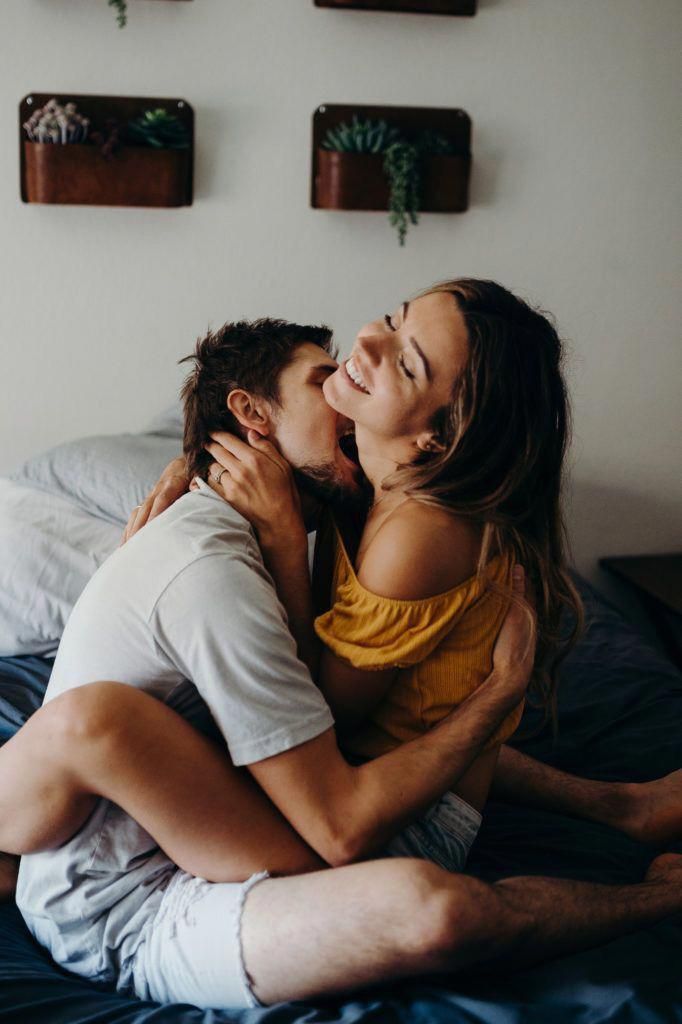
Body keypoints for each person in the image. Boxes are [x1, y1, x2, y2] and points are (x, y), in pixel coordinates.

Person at [0, 288, 679, 1011]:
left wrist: (287, 547)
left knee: (424, 880)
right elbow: (328, 747)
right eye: (391, 318)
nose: (360, 353)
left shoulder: (374, 508)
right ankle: (619, 816)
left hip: (337, 812)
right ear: (251, 420)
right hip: (249, 837)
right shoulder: (302, 517)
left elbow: (327, 734)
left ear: (435, 439)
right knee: (106, 727)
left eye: (405, 359)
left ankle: (647, 881)